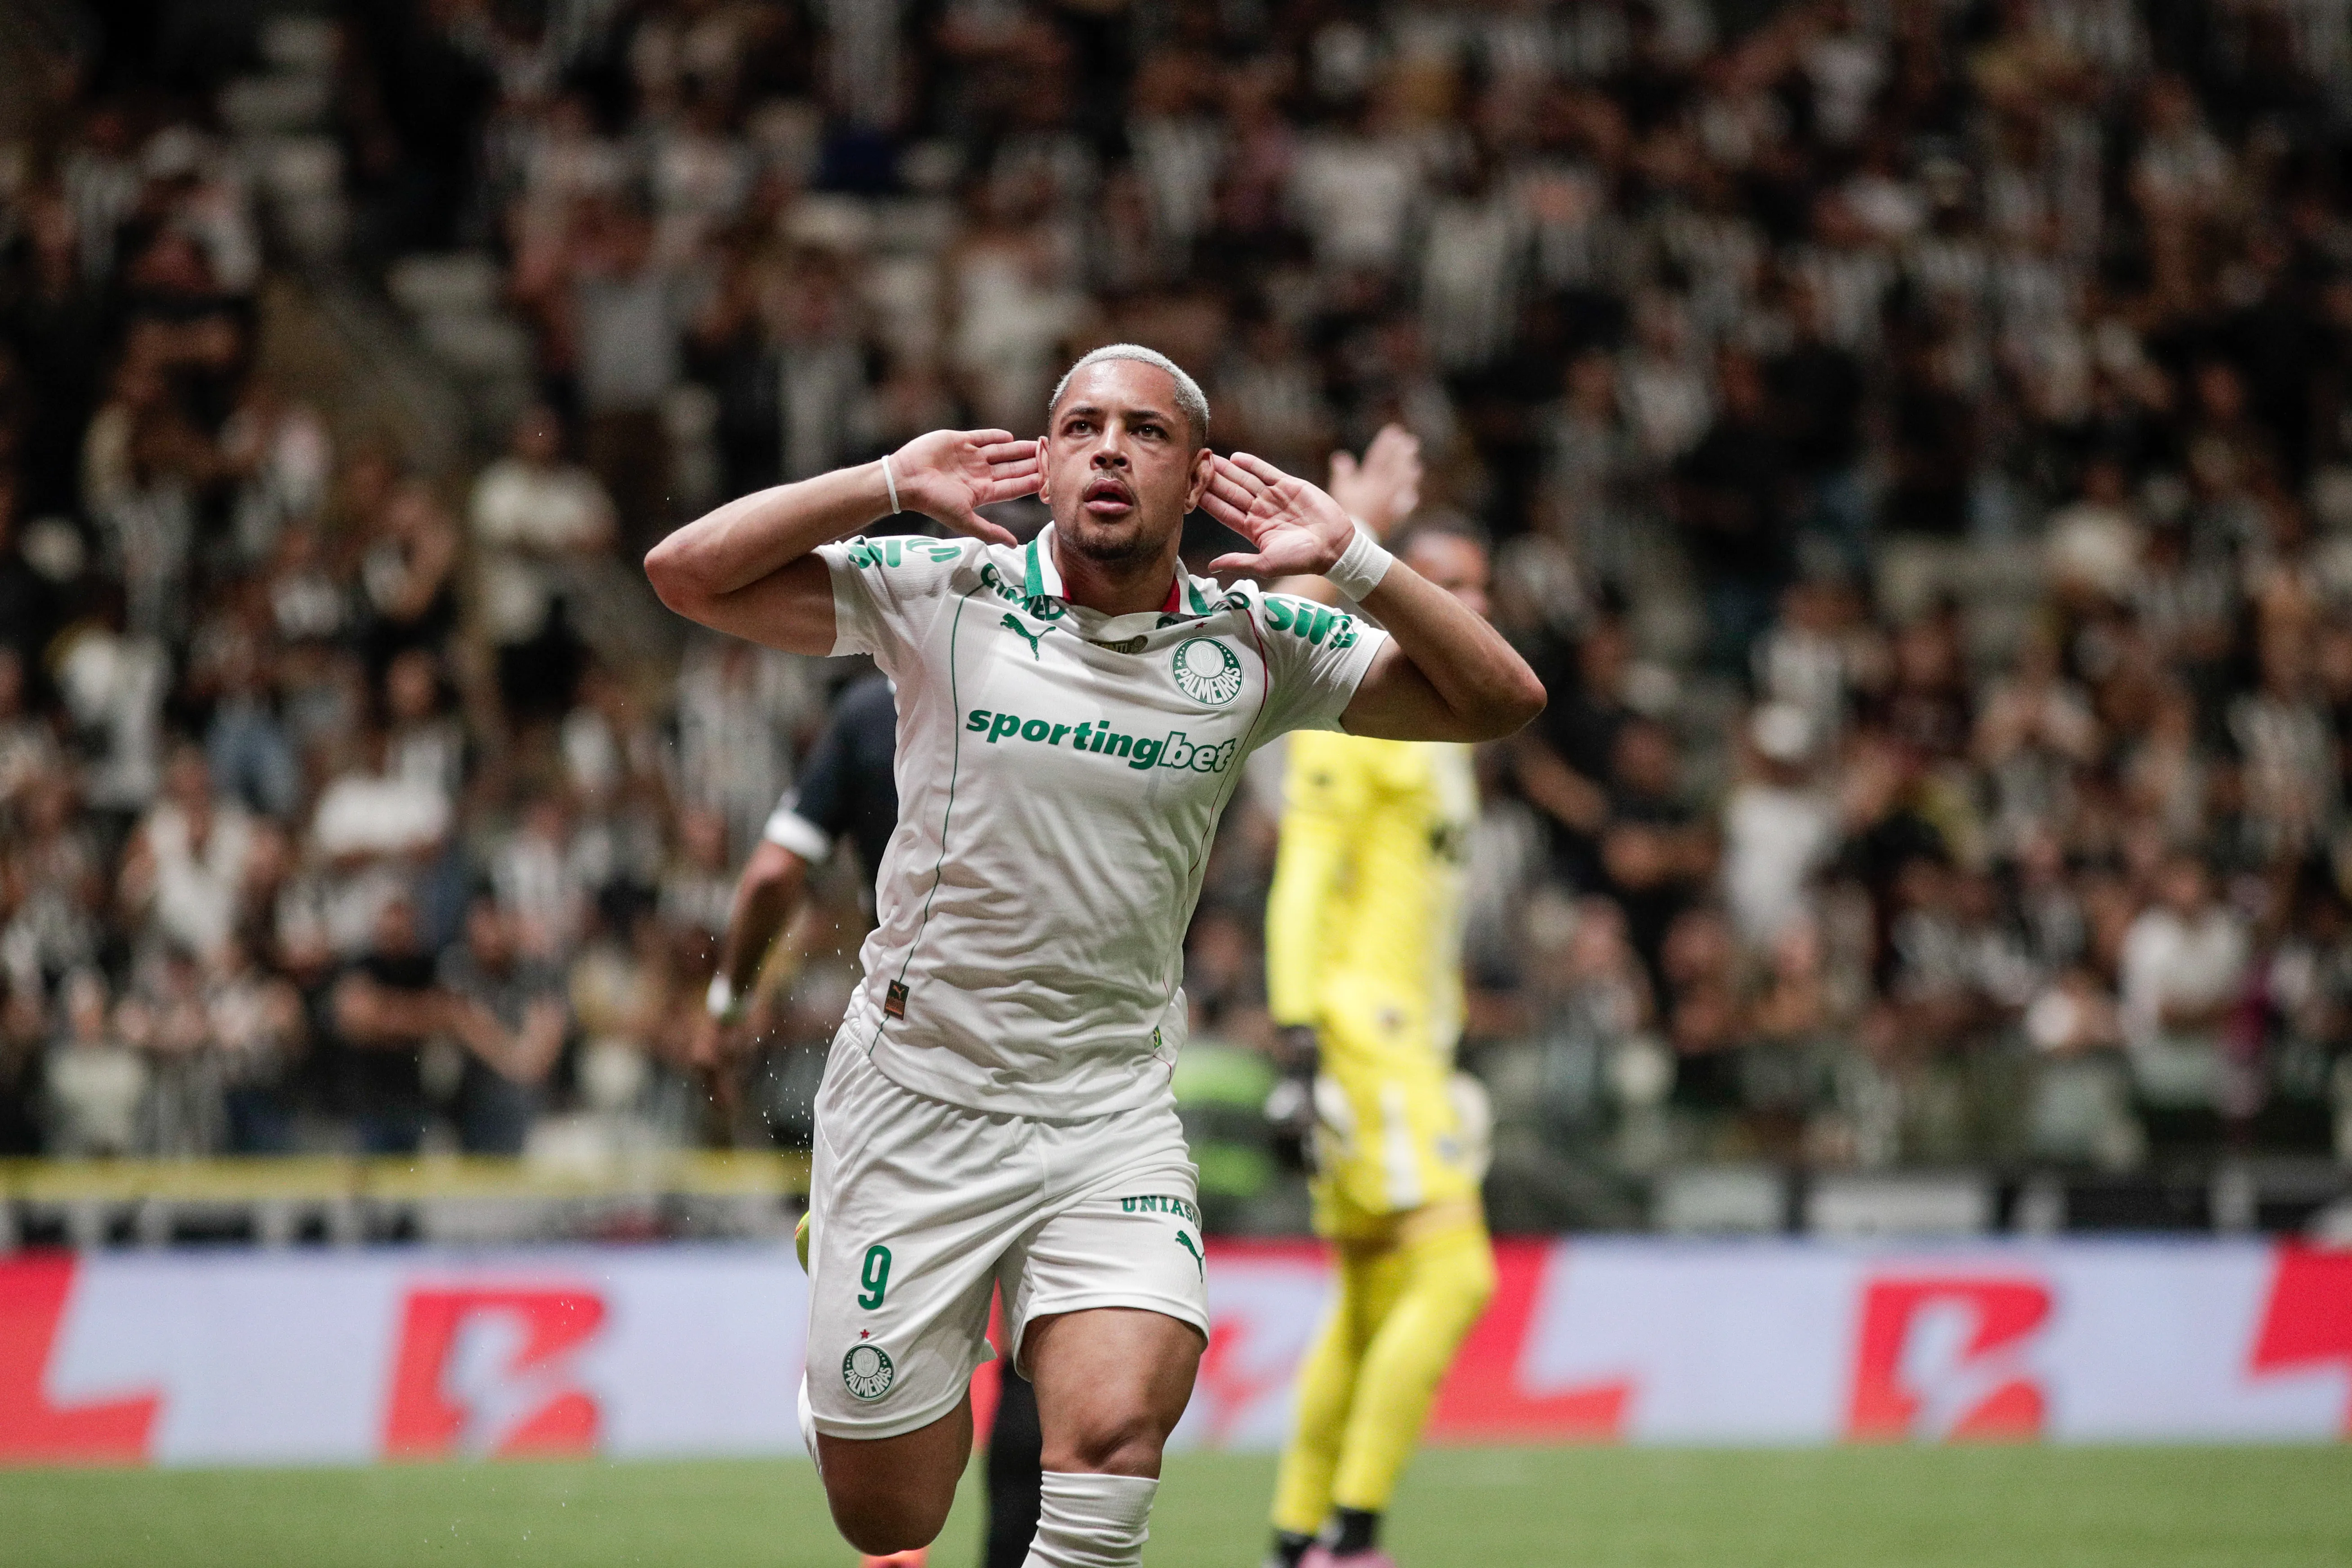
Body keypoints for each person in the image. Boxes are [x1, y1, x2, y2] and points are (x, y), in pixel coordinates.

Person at [644, 343, 1544, 1568]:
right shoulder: (947, 590)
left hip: (1107, 1110)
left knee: (1115, 1434)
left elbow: (1502, 701)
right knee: (892, 1515)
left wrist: (1358, 559)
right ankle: (845, 1345)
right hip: (917, 1097)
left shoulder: (1253, 639)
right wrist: (887, 480)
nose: (1111, 448)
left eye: (1147, 431)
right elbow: (684, 574)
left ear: (1198, 478)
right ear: (1046, 462)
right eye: (1082, 427)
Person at [694, 667, 1049, 1568]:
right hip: (1054, 1066)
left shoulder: (866, 712)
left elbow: (776, 874)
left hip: (911, 1073)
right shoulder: (1050, 676)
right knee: (1039, 1365)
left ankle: (894, 1547)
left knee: (884, 1360)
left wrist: (728, 1004)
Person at [1261, 520, 1501, 1568]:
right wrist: (1298, 1035)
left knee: (1365, 1303)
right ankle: (1356, 1538)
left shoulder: (1448, 725)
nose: (1470, 604)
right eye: (1446, 583)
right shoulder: (1356, 716)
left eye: (1478, 587)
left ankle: (1296, 1539)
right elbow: (1305, 877)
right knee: (1456, 1275)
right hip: (1367, 1036)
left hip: (1414, 1037)